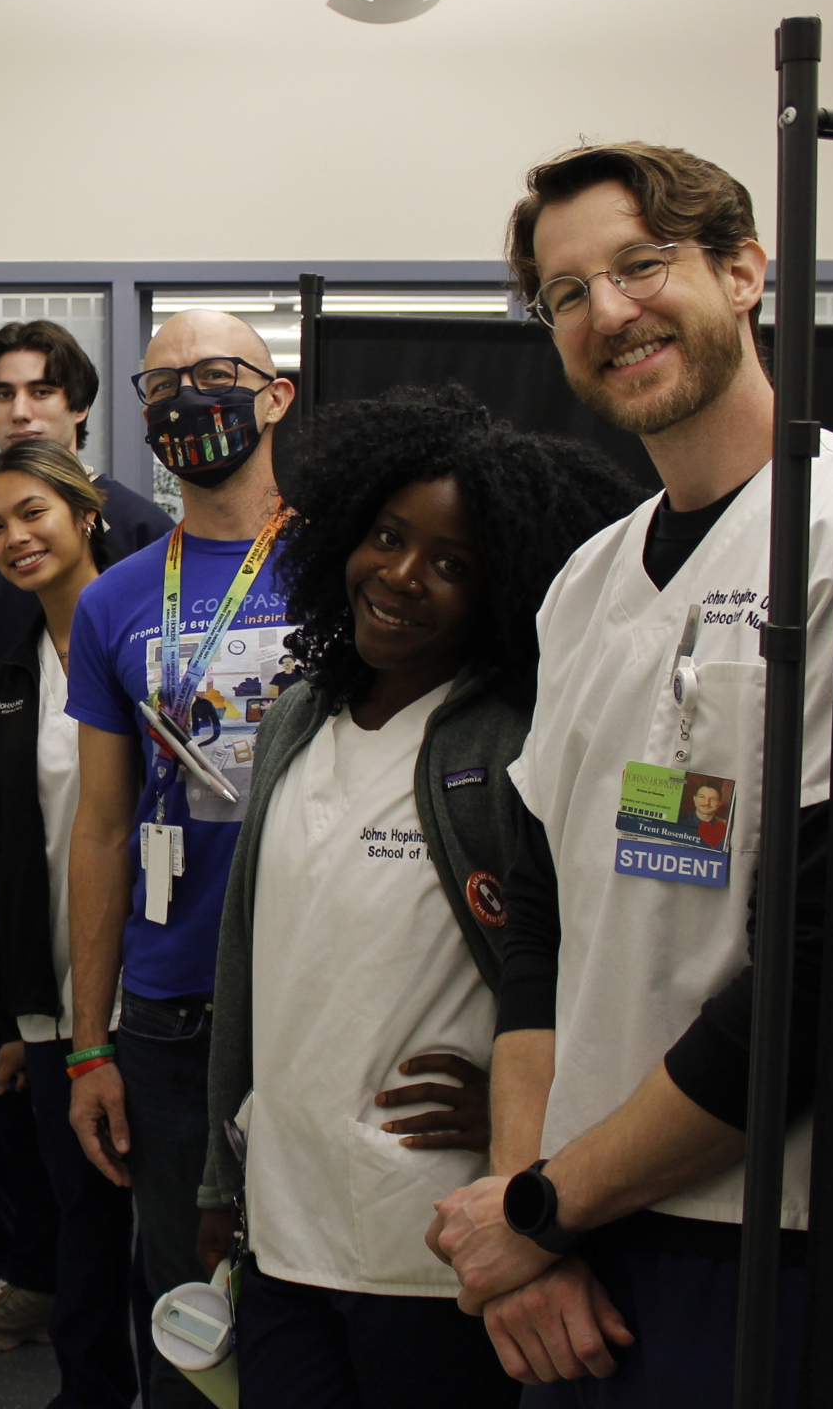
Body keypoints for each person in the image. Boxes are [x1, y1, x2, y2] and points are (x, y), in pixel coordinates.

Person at [427, 142, 833, 1404]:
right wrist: (523, 1221)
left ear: (745, 271)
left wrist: (545, 1206)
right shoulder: (587, 585)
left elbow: (819, 971)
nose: (608, 312)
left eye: (641, 265)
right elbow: (539, 926)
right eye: (566, 294)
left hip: (756, 1238)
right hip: (578, 1242)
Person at [193, 388, 637, 1408]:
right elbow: (248, 963)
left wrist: (540, 1127)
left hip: (441, 1250)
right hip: (284, 1235)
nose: (400, 575)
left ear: (503, 590)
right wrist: (223, 1185)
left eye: (451, 563)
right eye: (386, 537)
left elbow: (595, 969)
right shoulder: (299, 722)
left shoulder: (516, 742)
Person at [0, 319, 173, 1357]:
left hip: (137, 885)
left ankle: (144, 1314)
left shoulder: (146, 539)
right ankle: (36, 1280)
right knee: (4, 1081)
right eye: (2, 392)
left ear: (81, 407)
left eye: (40, 389)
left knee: (129, 1120)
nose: (22, 407)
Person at [62, 308, 296, 1408]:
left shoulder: (349, 563)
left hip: (314, 990)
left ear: (276, 395)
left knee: (314, 1291)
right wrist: (88, 1044)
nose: (187, 403)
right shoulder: (114, 600)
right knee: (185, 1298)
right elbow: (103, 830)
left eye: (215, 375)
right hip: (168, 1011)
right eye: (161, 388)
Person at [0, 440, 139, 1408]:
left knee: (170, 1220)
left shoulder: (148, 639)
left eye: (33, 514)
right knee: (80, 1211)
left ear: (85, 515)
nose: (14, 539)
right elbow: (13, 846)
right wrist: (24, 1012)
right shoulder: (12, 668)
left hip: (152, 980)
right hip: (55, 996)